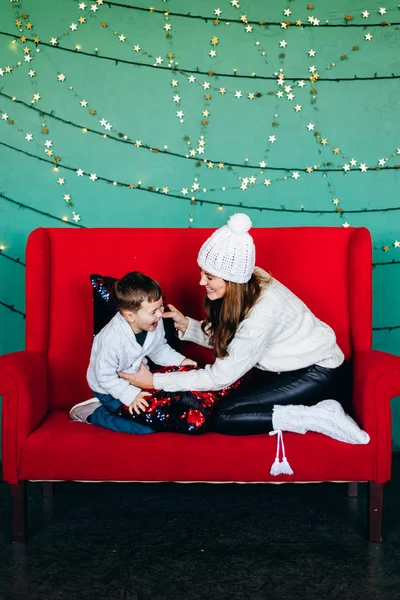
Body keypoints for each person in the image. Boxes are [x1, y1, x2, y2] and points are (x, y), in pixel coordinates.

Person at [118, 214, 369, 471]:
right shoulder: (249, 282)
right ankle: (316, 411)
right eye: (202, 273)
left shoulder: (263, 312)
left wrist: (153, 382)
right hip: (286, 369)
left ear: (232, 280)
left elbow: (218, 376)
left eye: (210, 277)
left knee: (225, 417)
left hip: (319, 373)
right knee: (223, 404)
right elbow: (235, 339)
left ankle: (319, 416)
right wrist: (189, 326)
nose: (202, 282)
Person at [69, 271, 196, 434]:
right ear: (130, 316)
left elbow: (159, 349)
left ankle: (109, 406)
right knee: (144, 428)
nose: (160, 314)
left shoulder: (154, 324)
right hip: (108, 388)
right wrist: (131, 395)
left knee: (166, 410)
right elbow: (105, 376)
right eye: (153, 311)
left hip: (136, 379)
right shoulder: (112, 339)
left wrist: (180, 361)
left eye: (160, 307)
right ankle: (95, 414)